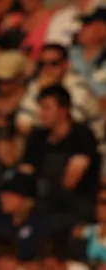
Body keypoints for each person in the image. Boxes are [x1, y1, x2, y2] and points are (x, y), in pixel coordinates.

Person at [23, 85, 101, 232]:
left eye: (47, 108)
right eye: (41, 108)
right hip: (41, 203)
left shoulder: (82, 136)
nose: (41, 113)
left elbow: (71, 180)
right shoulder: (37, 137)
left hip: (75, 206)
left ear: (63, 110)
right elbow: (26, 171)